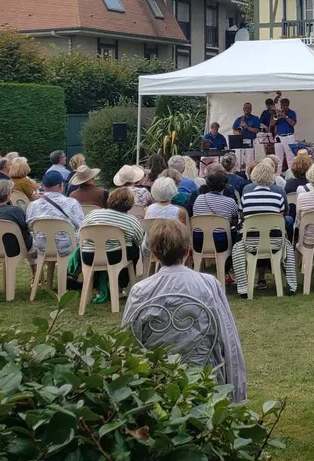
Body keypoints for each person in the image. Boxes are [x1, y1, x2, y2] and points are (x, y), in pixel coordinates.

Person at [122, 219, 247, 401]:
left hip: (156, 381)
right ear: (188, 251)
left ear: (155, 254)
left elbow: (128, 341)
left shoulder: (140, 291)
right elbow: (228, 338)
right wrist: (237, 395)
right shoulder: (208, 284)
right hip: (205, 376)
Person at [231, 162, 290, 297]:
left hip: (250, 242)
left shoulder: (246, 198)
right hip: (275, 242)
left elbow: (242, 218)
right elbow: (282, 217)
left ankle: (243, 281)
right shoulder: (278, 197)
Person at [79, 187, 145, 289]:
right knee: (134, 250)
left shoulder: (93, 214)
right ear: (130, 204)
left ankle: (97, 284)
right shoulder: (131, 220)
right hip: (115, 258)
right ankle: (119, 285)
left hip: (89, 256)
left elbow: (81, 232)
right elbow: (139, 240)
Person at [26, 167, 84, 260]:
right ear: (61, 185)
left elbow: (29, 226)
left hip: (42, 247)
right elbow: (81, 225)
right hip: (66, 248)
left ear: (43, 186)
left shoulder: (33, 205)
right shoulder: (72, 203)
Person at [0, 178, 35, 265]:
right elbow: (27, 228)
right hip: (17, 249)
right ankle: (35, 274)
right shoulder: (16, 211)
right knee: (34, 237)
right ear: (8, 194)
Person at [193, 170, 240, 257]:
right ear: (226, 185)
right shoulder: (230, 202)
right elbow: (236, 218)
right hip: (221, 243)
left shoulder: (199, 199)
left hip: (199, 242)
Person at [272, 98, 298, 170]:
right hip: (278, 137)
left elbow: (293, 124)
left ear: (288, 105)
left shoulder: (292, 113)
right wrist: (276, 117)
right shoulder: (278, 113)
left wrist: (286, 117)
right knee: (278, 158)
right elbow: (271, 124)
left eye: (284, 105)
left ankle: (291, 176)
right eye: (282, 105)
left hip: (288, 136)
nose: (283, 107)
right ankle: (277, 176)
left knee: (290, 158)